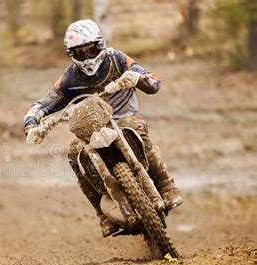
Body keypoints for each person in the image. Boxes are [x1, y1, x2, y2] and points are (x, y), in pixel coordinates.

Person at [23, 19, 183, 237]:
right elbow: (47, 101)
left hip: (125, 117)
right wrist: (32, 121)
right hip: (92, 129)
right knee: (74, 153)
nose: (87, 57)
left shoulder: (117, 59)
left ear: (101, 44)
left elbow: (153, 81)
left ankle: (166, 186)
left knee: (135, 128)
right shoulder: (71, 76)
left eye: (91, 49)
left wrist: (138, 78)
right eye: (80, 52)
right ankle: (102, 214)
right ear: (71, 54)